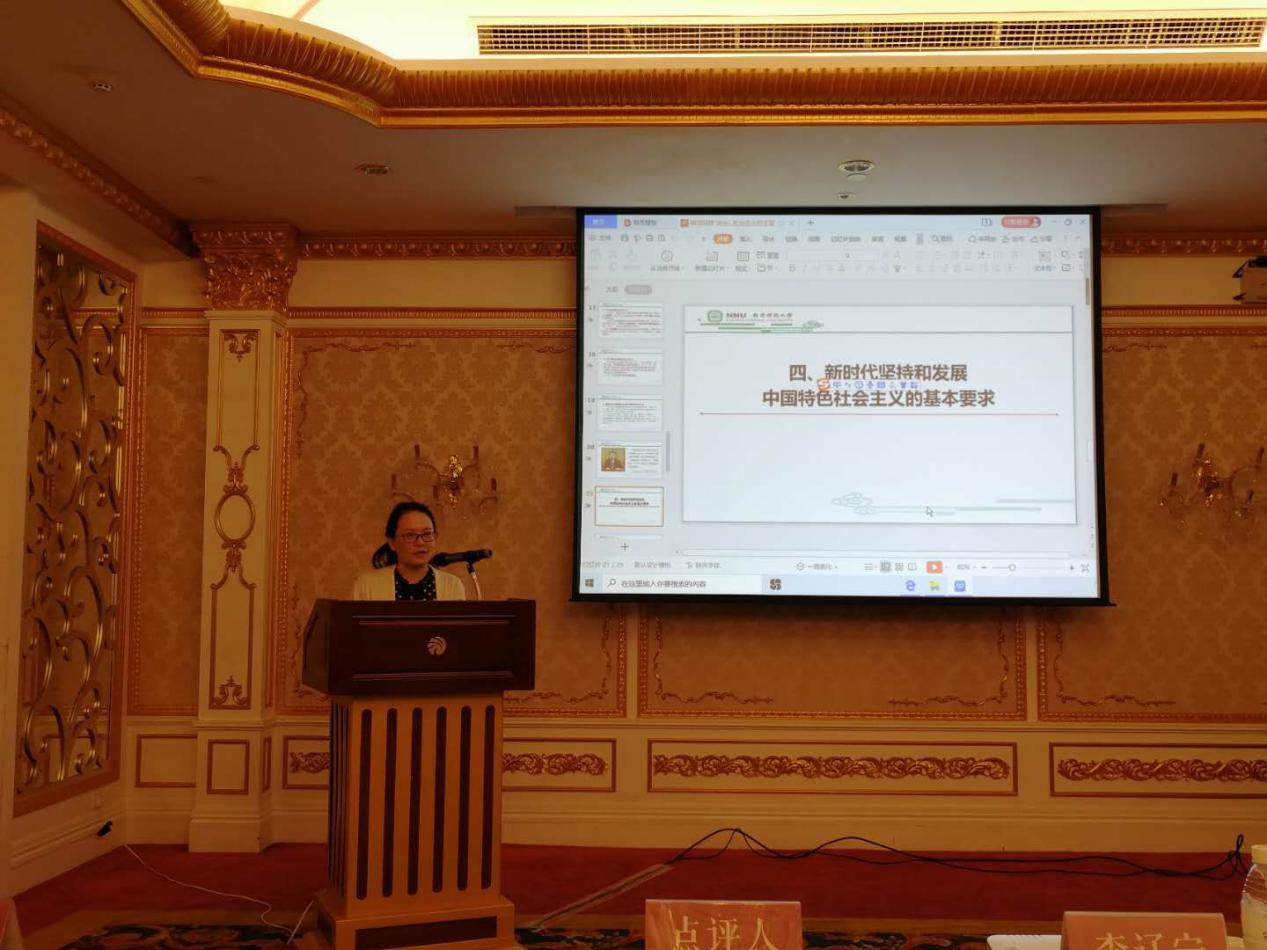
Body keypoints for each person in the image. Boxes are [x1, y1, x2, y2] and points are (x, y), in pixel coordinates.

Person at [351, 501, 465, 601]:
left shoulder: (452, 585)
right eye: (410, 535)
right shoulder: (367, 585)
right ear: (392, 542)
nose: (420, 542)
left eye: (427, 534)